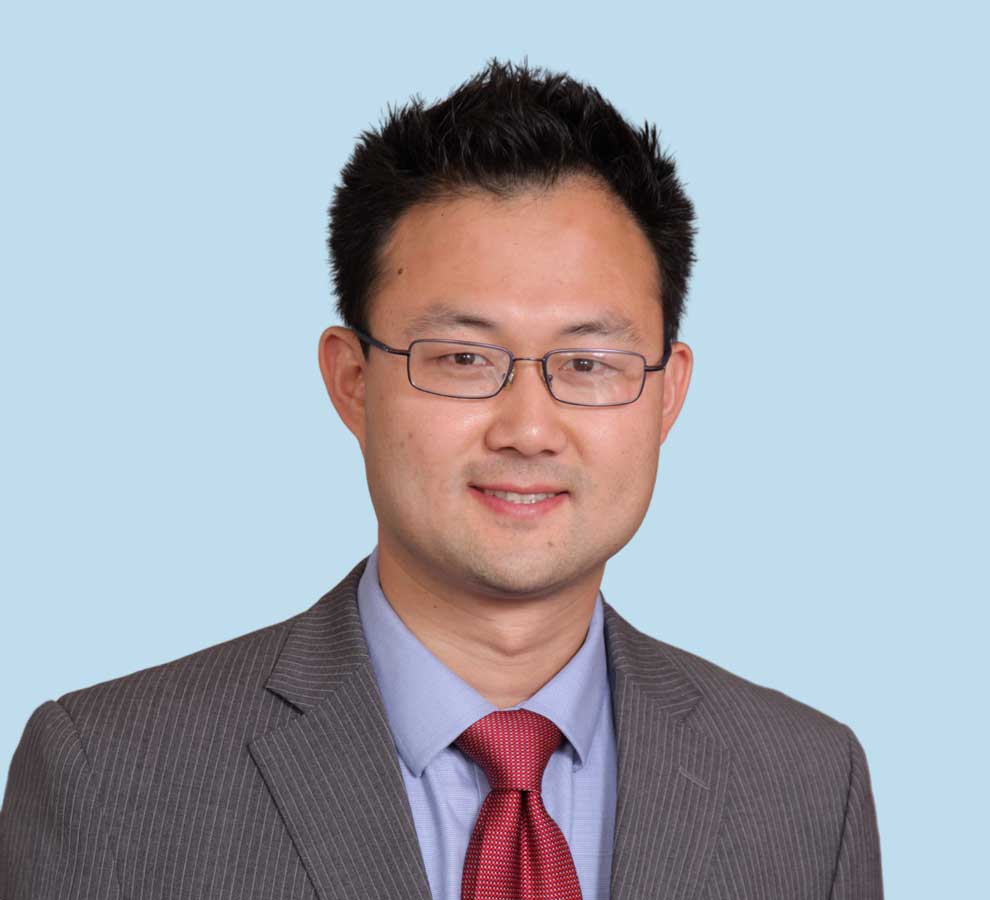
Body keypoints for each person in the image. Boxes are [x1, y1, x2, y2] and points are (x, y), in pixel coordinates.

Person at [0, 58, 883, 899]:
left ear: (668, 392)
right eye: (463, 357)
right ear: (352, 378)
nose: (529, 429)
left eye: (587, 361)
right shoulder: (112, 775)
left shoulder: (807, 786)